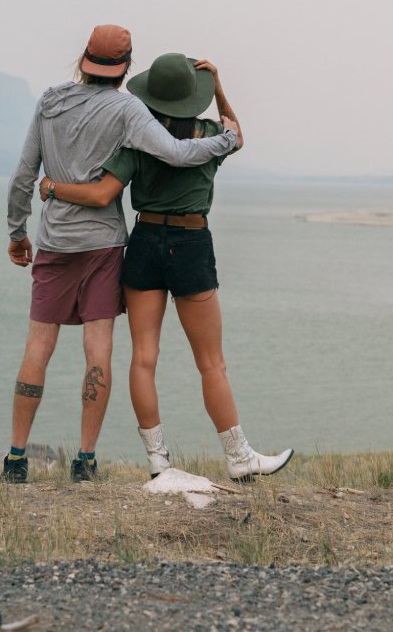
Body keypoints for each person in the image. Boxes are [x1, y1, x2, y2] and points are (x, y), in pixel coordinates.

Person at [38, 53, 292, 482]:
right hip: (191, 243)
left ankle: (159, 462)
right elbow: (238, 134)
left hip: (145, 242)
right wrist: (221, 89)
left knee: (144, 359)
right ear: (194, 98)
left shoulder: (138, 141)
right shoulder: (211, 135)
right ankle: (238, 458)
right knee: (211, 362)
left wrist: (51, 187)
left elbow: (102, 195)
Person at [4, 25, 240, 483]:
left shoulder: (49, 101)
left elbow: (22, 175)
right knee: (99, 351)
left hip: (53, 242)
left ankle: (15, 459)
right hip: (103, 245)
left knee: (38, 347)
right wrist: (225, 140)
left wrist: (18, 232)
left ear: (83, 58)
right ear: (128, 67)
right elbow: (174, 152)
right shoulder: (128, 109)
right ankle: (85, 461)